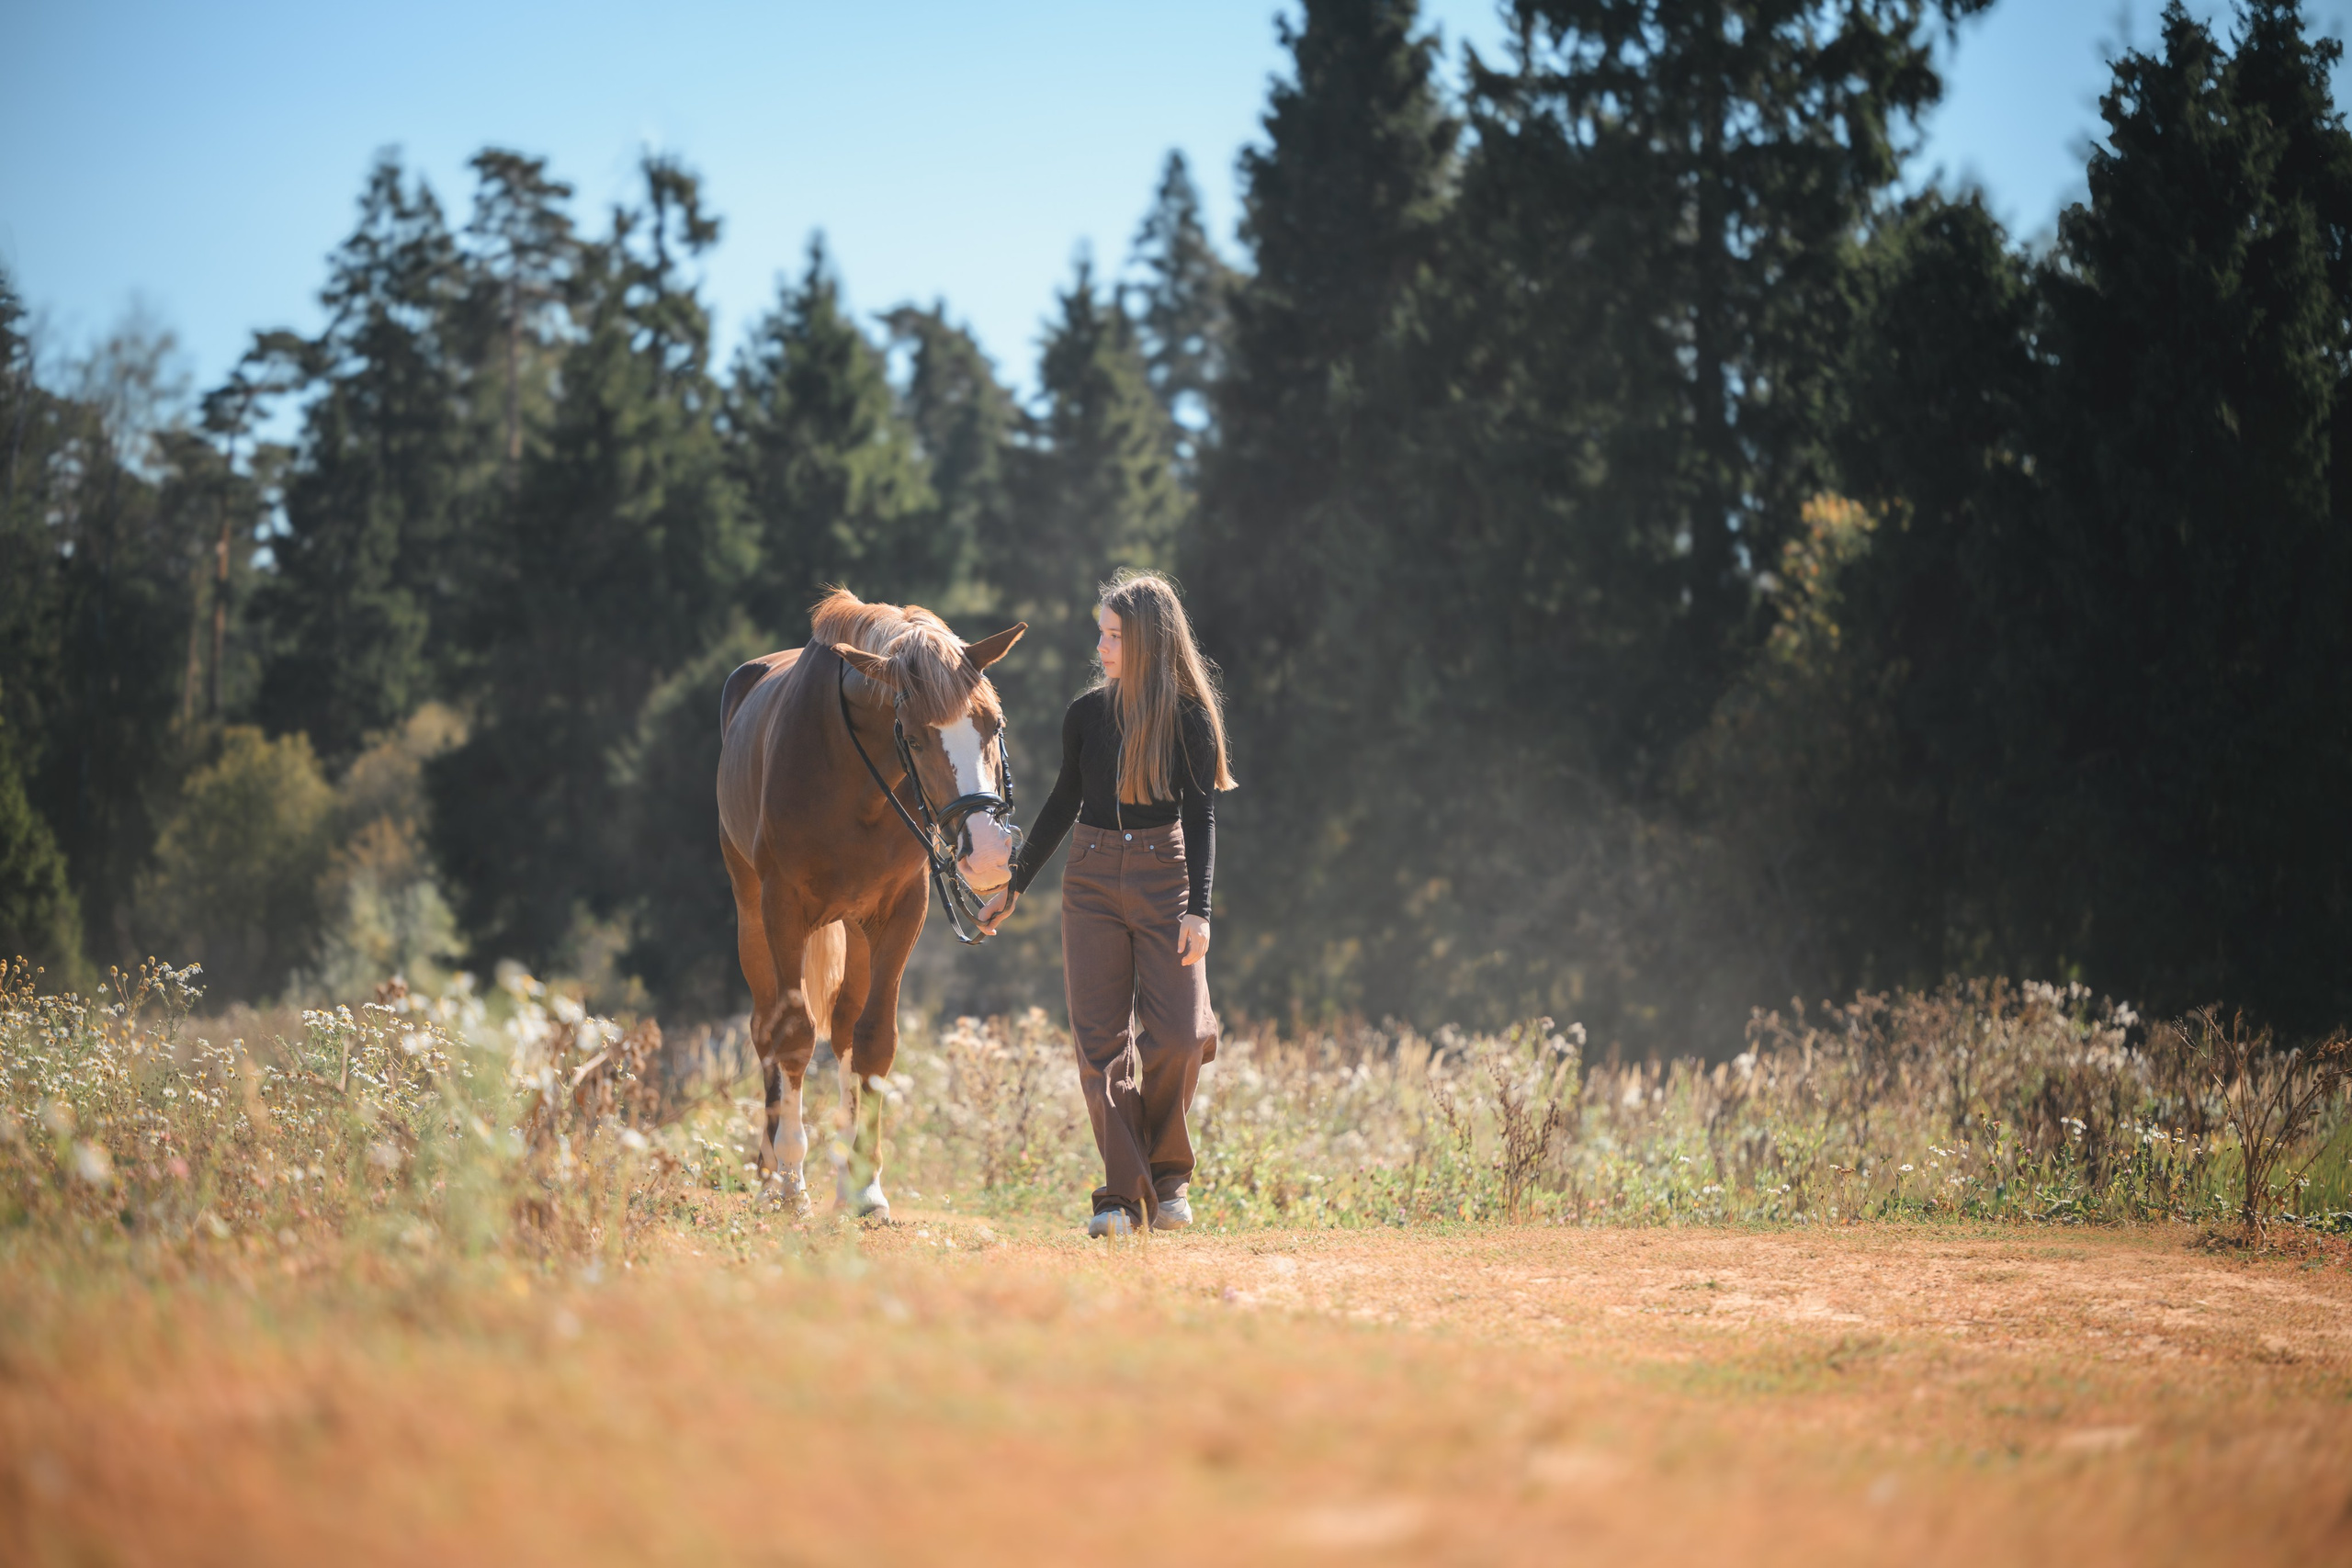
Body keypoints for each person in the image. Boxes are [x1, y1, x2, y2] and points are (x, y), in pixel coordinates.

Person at [978, 570, 1236, 1237]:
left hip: (1165, 878)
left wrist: (1199, 910)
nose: (1102, 646)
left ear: (1148, 640)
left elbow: (1202, 817)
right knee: (1101, 1048)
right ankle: (1122, 1197)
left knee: (1181, 1035)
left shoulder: (1188, 720)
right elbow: (1063, 801)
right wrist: (1016, 883)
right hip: (1090, 879)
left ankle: (1168, 1178)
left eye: (1115, 635)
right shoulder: (1086, 716)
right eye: (1102, 633)